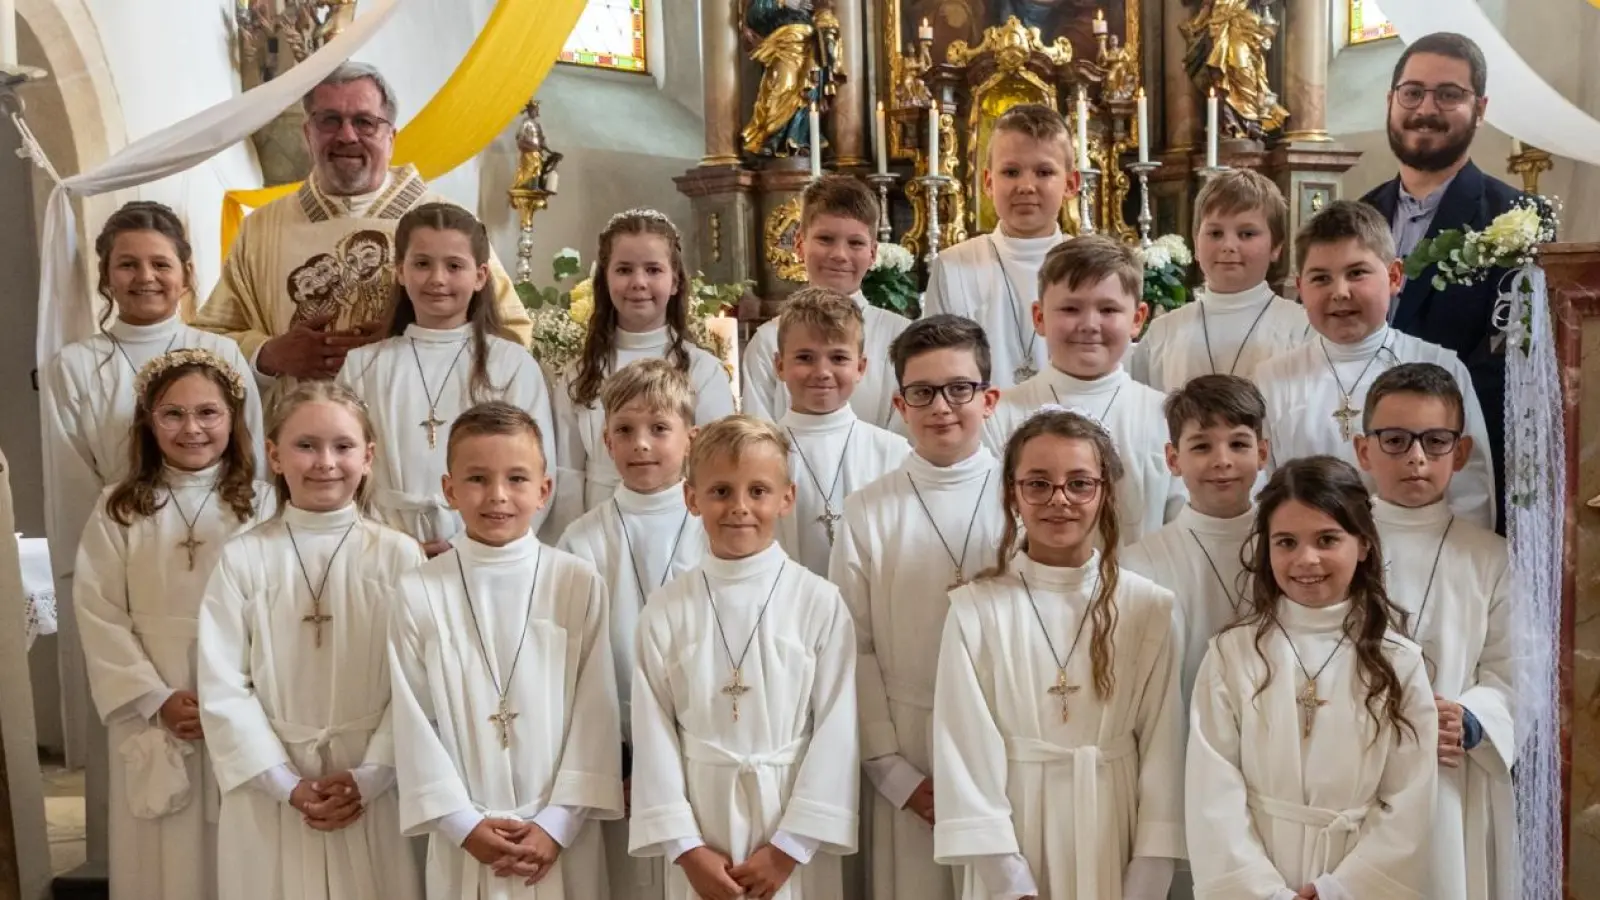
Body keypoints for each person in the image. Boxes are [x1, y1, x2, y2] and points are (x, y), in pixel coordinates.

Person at [44, 201, 264, 796]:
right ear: (104, 276)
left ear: (188, 273)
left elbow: (252, 466)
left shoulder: (222, 356)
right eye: (127, 264)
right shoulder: (76, 367)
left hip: (225, 560)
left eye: (161, 263)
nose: (145, 277)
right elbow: (70, 485)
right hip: (129, 563)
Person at [932, 409, 1183, 900]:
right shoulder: (975, 610)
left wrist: (1146, 881)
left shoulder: (1148, 607)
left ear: (1105, 492)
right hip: (1012, 835)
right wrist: (1010, 883)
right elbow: (963, 753)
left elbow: (1163, 751)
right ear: (1012, 494)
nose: (1059, 501)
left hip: (1116, 827)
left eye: (1079, 484)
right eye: (1039, 484)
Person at [197, 381, 422, 900]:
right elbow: (222, 683)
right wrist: (284, 783)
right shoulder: (244, 558)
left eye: (343, 447)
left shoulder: (398, 556)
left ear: (368, 457)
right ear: (274, 456)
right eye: (306, 446)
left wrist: (371, 776)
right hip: (272, 787)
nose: (325, 462)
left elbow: (418, 682)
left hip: (372, 784)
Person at [390, 402, 623, 899]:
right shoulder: (419, 590)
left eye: (517, 479)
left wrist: (558, 823)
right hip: (465, 835)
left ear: (545, 490)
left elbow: (595, 711)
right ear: (449, 489)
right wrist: (462, 825)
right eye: (477, 479)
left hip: (560, 830)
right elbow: (413, 719)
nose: (497, 496)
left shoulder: (575, 581)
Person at [193, 62, 532, 401]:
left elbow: (512, 337)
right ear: (307, 134)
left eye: (364, 122)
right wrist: (268, 355)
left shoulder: (449, 224)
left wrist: (407, 345)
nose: (347, 135)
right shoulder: (261, 230)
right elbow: (206, 341)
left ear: (391, 137)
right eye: (329, 120)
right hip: (298, 440)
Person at [1185, 456, 1437, 899]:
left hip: (1358, 880)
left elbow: (1411, 801)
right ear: (1266, 548)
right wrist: (1266, 893)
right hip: (1255, 879)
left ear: (1362, 544)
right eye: (1286, 542)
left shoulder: (1399, 662)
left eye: (1327, 539)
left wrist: (1339, 890)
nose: (1306, 559)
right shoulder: (1233, 654)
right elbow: (1213, 792)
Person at [629, 416, 860, 899]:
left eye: (758, 491)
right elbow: (653, 733)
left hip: (791, 830)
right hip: (700, 825)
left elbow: (838, 727)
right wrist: (686, 848)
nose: (739, 508)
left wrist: (788, 848)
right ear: (691, 499)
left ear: (786, 497)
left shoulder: (818, 601)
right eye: (720, 492)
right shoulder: (667, 608)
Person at [75, 350, 274, 900]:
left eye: (208, 413)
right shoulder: (118, 507)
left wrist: (235, 692)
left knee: (240, 840)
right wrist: (154, 697)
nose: (192, 429)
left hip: (240, 689)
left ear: (234, 418)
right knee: (160, 847)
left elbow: (277, 604)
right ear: (147, 421)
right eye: (173, 414)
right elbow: (100, 611)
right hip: (156, 696)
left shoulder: (264, 502)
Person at [830, 315, 1006, 900]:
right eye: (922, 392)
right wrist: (891, 771)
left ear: (990, 398)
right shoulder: (868, 510)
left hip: (1004, 740)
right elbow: (851, 645)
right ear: (900, 406)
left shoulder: (1023, 499)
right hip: (907, 747)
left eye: (960, 388)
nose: (942, 407)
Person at [1355, 363, 1514, 900]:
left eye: (1435, 441)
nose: (1416, 458)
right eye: (1395, 440)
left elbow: (1511, 670)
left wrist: (1470, 718)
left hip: (1447, 774)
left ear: (1461, 453)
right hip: (1349, 768)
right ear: (1364, 451)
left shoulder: (1491, 558)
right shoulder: (1333, 544)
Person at [1360, 32, 1528, 530]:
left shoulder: (1516, 218)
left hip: (1461, 469)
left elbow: (1512, 364)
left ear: (1480, 107)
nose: (1425, 108)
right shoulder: (1362, 213)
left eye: (1448, 95)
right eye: (1412, 93)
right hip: (1364, 459)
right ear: (1391, 102)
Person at [558, 359, 709, 900]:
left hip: (705, 741)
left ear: (691, 438)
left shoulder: (715, 527)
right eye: (625, 430)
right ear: (605, 440)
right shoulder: (581, 540)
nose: (641, 444)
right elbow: (576, 667)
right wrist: (616, 759)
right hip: (618, 753)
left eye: (659, 429)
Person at [1255, 200, 1495, 529]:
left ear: (1394, 276)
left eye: (1356, 273)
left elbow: (1471, 494)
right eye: (1321, 278)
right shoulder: (1272, 380)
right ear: (1300, 289)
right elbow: (1263, 492)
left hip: (1424, 560)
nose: (1339, 292)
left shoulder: (1441, 367)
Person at [337, 202, 556, 554]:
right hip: (379, 549)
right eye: (422, 264)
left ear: (481, 276)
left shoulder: (512, 365)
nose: (438, 279)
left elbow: (537, 468)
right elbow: (345, 466)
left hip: (485, 549)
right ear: (400, 271)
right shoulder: (363, 365)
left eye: (454, 266)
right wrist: (388, 546)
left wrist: (470, 545)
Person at [983, 235, 1185, 542]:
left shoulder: (1167, 418)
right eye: (1070, 309)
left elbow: (1179, 527)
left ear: (1137, 319)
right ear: (1039, 317)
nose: (1089, 324)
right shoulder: (999, 417)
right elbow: (990, 525)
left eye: (1108, 310)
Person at [547, 209, 736, 537]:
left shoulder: (703, 371)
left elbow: (718, 465)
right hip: (600, 530)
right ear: (605, 280)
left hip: (682, 530)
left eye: (653, 270)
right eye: (624, 270)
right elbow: (568, 473)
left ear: (675, 281)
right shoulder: (581, 374)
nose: (638, 282)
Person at [1123, 374, 1269, 708]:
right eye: (1202, 446)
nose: (1222, 460)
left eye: (1238, 444)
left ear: (1262, 453)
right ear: (1173, 460)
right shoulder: (1138, 565)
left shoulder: (1288, 549)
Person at [921, 104, 1079, 390]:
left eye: (1044, 172)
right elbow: (936, 368)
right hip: (979, 429)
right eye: (1011, 172)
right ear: (988, 183)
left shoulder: (1089, 267)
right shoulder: (953, 266)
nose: (1026, 186)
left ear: (1071, 184)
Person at [742, 175, 912, 431]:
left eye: (855, 243)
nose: (839, 255)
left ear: (873, 253)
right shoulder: (768, 341)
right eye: (825, 239)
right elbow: (756, 438)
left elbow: (907, 433)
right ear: (800, 244)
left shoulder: (902, 337)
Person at [1129, 169, 1309, 391]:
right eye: (1215, 234)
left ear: (1276, 247)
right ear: (1196, 244)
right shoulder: (1163, 333)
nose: (1228, 246)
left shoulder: (1301, 328)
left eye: (1247, 234)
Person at [772, 288, 911, 575]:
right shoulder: (762, 452)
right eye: (805, 358)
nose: (822, 371)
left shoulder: (893, 453)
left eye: (838, 358)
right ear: (780, 365)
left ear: (861, 367)